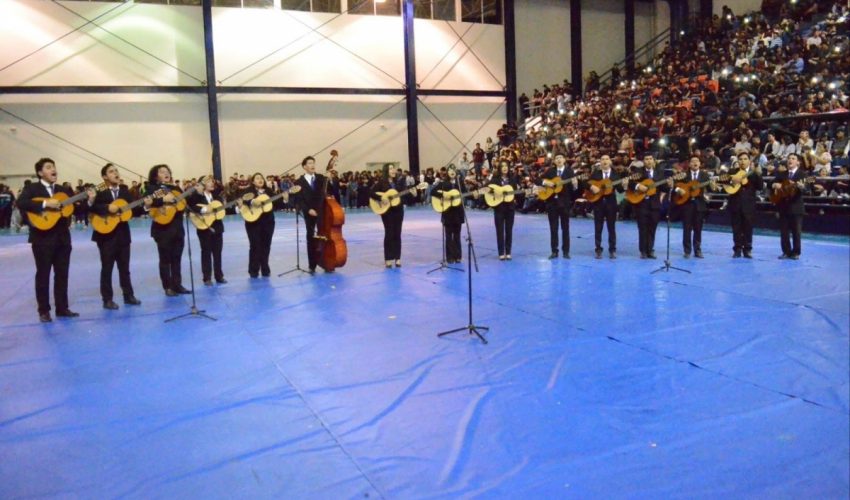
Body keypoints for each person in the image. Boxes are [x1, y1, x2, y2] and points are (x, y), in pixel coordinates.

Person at [16, 158, 84, 322]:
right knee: (43, 274)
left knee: (62, 274)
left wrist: (87, 199)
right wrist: (46, 204)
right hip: (42, 238)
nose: (53, 170)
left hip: (62, 238)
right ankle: (44, 310)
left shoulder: (63, 190)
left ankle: (62, 308)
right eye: (48, 167)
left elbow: (76, 207)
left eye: (54, 167)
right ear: (40, 172)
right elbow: (21, 202)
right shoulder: (32, 188)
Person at [88, 163, 142, 309]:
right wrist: (107, 208)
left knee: (125, 268)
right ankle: (107, 299)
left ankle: (128, 295)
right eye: (111, 172)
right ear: (104, 176)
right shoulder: (99, 190)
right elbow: (90, 207)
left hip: (123, 234)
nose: (116, 173)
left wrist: (146, 205)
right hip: (105, 235)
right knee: (107, 268)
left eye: (116, 170)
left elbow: (134, 210)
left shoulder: (125, 191)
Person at [145, 164, 190, 296]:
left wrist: (195, 192)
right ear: (155, 176)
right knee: (165, 259)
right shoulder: (152, 188)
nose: (166, 173)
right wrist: (163, 199)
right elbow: (147, 202)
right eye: (162, 171)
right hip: (162, 229)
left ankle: (177, 284)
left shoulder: (175, 188)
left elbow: (184, 203)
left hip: (178, 228)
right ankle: (167, 286)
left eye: (167, 171)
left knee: (177, 258)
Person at [188, 175, 227, 285]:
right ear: (202, 184)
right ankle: (207, 277)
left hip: (217, 227)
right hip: (204, 227)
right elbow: (190, 207)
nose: (211, 183)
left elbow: (221, 210)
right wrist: (204, 209)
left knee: (217, 253)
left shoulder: (217, 197)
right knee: (206, 252)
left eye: (212, 181)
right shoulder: (197, 196)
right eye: (208, 181)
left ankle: (219, 276)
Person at [541, 152, 578, 259]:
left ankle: (566, 251)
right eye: (556, 157)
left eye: (561, 157)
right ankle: (554, 251)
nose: (558, 159)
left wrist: (575, 185)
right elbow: (538, 179)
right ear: (554, 161)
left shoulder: (569, 171)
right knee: (553, 228)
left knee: (565, 228)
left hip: (565, 204)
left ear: (564, 160)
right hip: (552, 203)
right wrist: (545, 183)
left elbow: (574, 190)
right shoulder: (550, 171)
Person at [674, 155, 711, 258]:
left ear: (700, 164)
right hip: (687, 205)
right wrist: (679, 190)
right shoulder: (684, 175)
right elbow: (675, 185)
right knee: (687, 229)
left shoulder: (704, 175)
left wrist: (713, 186)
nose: (695, 163)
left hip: (700, 205)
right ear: (689, 164)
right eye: (693, 161)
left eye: (697, 161)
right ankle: (687, 251)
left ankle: (697, 250)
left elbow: (711, 188)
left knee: (698, 229)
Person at [727, 151, 764, 258]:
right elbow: (723, 182)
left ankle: (747, 249)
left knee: (748, 228)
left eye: (745, 159)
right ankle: (737, 249)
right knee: (736, 228)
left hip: (749, 206)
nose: (742, 161)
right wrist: (732, 180)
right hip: (735, 205)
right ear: (738, 161)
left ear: (749, 161)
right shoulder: (732, 172)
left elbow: (760, 187)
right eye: (740, 159)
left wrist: (758, 174)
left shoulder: (753, 173)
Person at [586, 155, 622, 259]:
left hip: (611, 203)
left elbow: (620, 190)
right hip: (598, 203)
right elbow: (586, 184)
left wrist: (623, 185)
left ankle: (612, 250)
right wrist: (591, 187)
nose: (605, 161)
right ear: (600, 162)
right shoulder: (595, 174)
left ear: (610, 161)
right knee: (598, 227)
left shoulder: (616, 175)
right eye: (602, 159)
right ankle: (598, 249)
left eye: (607, 159)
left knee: (612, 228)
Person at [630, 154, 666, 259]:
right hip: (641, 204)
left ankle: (650, 250)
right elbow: (630, 183)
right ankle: (643, 251)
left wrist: (669, 185)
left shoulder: (659, 173)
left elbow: (664, 188)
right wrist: (638, 186)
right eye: (646, 159)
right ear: (643, 161)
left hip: (655, 205)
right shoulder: (638, 172)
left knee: (652, 228)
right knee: (642, 228)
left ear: (654, 161)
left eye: (650, 159)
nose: (649, 161)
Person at [772, 153, 807, 260]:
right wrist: (776, 185)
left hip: (796, 207)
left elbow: (807, 189)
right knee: (784, 231)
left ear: (798, 162)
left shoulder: (802, 174)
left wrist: (801, 186)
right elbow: (772, 184)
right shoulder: (782, 174)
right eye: (789, 158)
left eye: (793, 158)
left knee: (796, 232)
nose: (790, 160)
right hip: (783, 206)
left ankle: (796, 252)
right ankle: (786, 252)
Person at [370, 163, 406, 268]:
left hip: (398, 211)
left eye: (393, 168)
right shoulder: (382, 183)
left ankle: (397, 258)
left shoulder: (399, 183)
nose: (393, 170)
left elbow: (402, 196)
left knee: (397, 233)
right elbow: (371, 193)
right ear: (386, 171)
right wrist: (382, 198)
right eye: (390, 168)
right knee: (389, 233)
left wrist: (411, 193)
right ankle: (388, 258)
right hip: (387, 212)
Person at [295, 156, 326, 274]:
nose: (312, 165)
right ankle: (312, 264)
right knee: (311, 237)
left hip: (322, 211)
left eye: (313, 162)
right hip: (309, 213)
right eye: (309, 163)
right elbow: (299, 199)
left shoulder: (321, 178)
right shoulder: (299, 182)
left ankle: (326, 260)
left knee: (325, 235)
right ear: (304, 167)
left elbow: (327, 191)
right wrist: (308, 210)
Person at [243, 173, 276, 278]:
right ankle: (253, 270)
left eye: (261, 178)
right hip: (253, 222)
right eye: (257, 178)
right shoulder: (249, 191)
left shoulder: (269, 191)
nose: (260, 180)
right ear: (253, 181)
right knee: (255, 246)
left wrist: (284, 199)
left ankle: (265, 268)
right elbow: (244, 199)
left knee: (266, 245)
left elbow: (277, 204)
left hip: (268, 222)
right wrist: (253, 201)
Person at [434, 166, 465, 263]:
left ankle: (458, 256)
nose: (452, 172)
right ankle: (449, 257)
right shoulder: (443, 183)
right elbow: (433, 192)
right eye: (450, 170)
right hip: (447, 212)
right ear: (447, 173)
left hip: (458, 212)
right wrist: (444, 195)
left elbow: (465, 193)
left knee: (457, 235)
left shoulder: (460, 183)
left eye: (454, 170)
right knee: (448, 235)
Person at [491, 161, 518, 260]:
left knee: (509, 230)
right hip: (498, 208)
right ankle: (501, 252)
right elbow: (488, 190)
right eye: (502, 166)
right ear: (499, 169)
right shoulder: (494, 180)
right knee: (499, 231)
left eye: (506, 166)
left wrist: (517, 196)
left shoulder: (512, 179)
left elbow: (516, 192)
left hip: (510, 208)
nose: (504, 168)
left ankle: (508, 252)